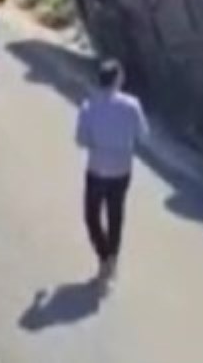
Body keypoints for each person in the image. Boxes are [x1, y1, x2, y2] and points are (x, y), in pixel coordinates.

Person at [75, 58, 149, 279]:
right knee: (116, 215)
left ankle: (104, 254)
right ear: (117, 80)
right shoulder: (132, 105)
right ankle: (113, 258)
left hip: (97, 169)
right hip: (122, 170)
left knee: (91, 216)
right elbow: (143, 135)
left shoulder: (88, 107)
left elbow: (81, 140)